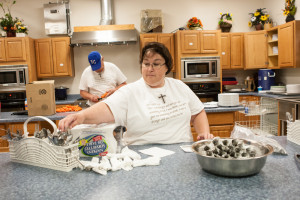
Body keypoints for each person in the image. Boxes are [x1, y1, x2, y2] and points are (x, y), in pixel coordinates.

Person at [59, 42, 213, 145]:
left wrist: (204, 135)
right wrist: (80, 117)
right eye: (146, 64)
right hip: (143, 156)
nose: (150, 68)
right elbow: (106, 108)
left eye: (156, 64)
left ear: (167, 67)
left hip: (182, 152)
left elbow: (198, 112)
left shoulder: (179, 86)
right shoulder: (130, 91)